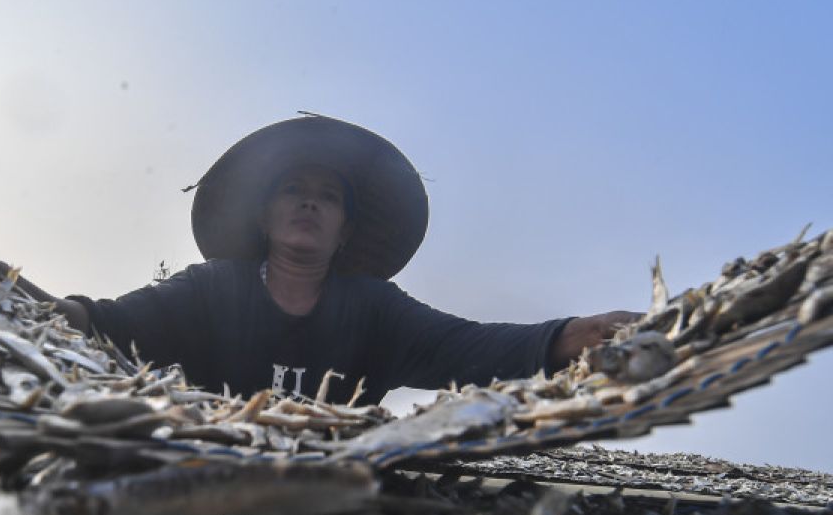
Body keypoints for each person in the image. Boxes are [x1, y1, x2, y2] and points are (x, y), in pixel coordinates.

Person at [41, 116, 636, 406]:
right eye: (293, 190)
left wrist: (572, 336)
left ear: (345, 231)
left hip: (334, 481)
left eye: (327, 197)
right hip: (204, 470)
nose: (308, 202)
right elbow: (106, 325)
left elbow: (468, 347)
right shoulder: (214, 289)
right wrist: (25, 303)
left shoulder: (374, 310)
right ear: (264, 217)